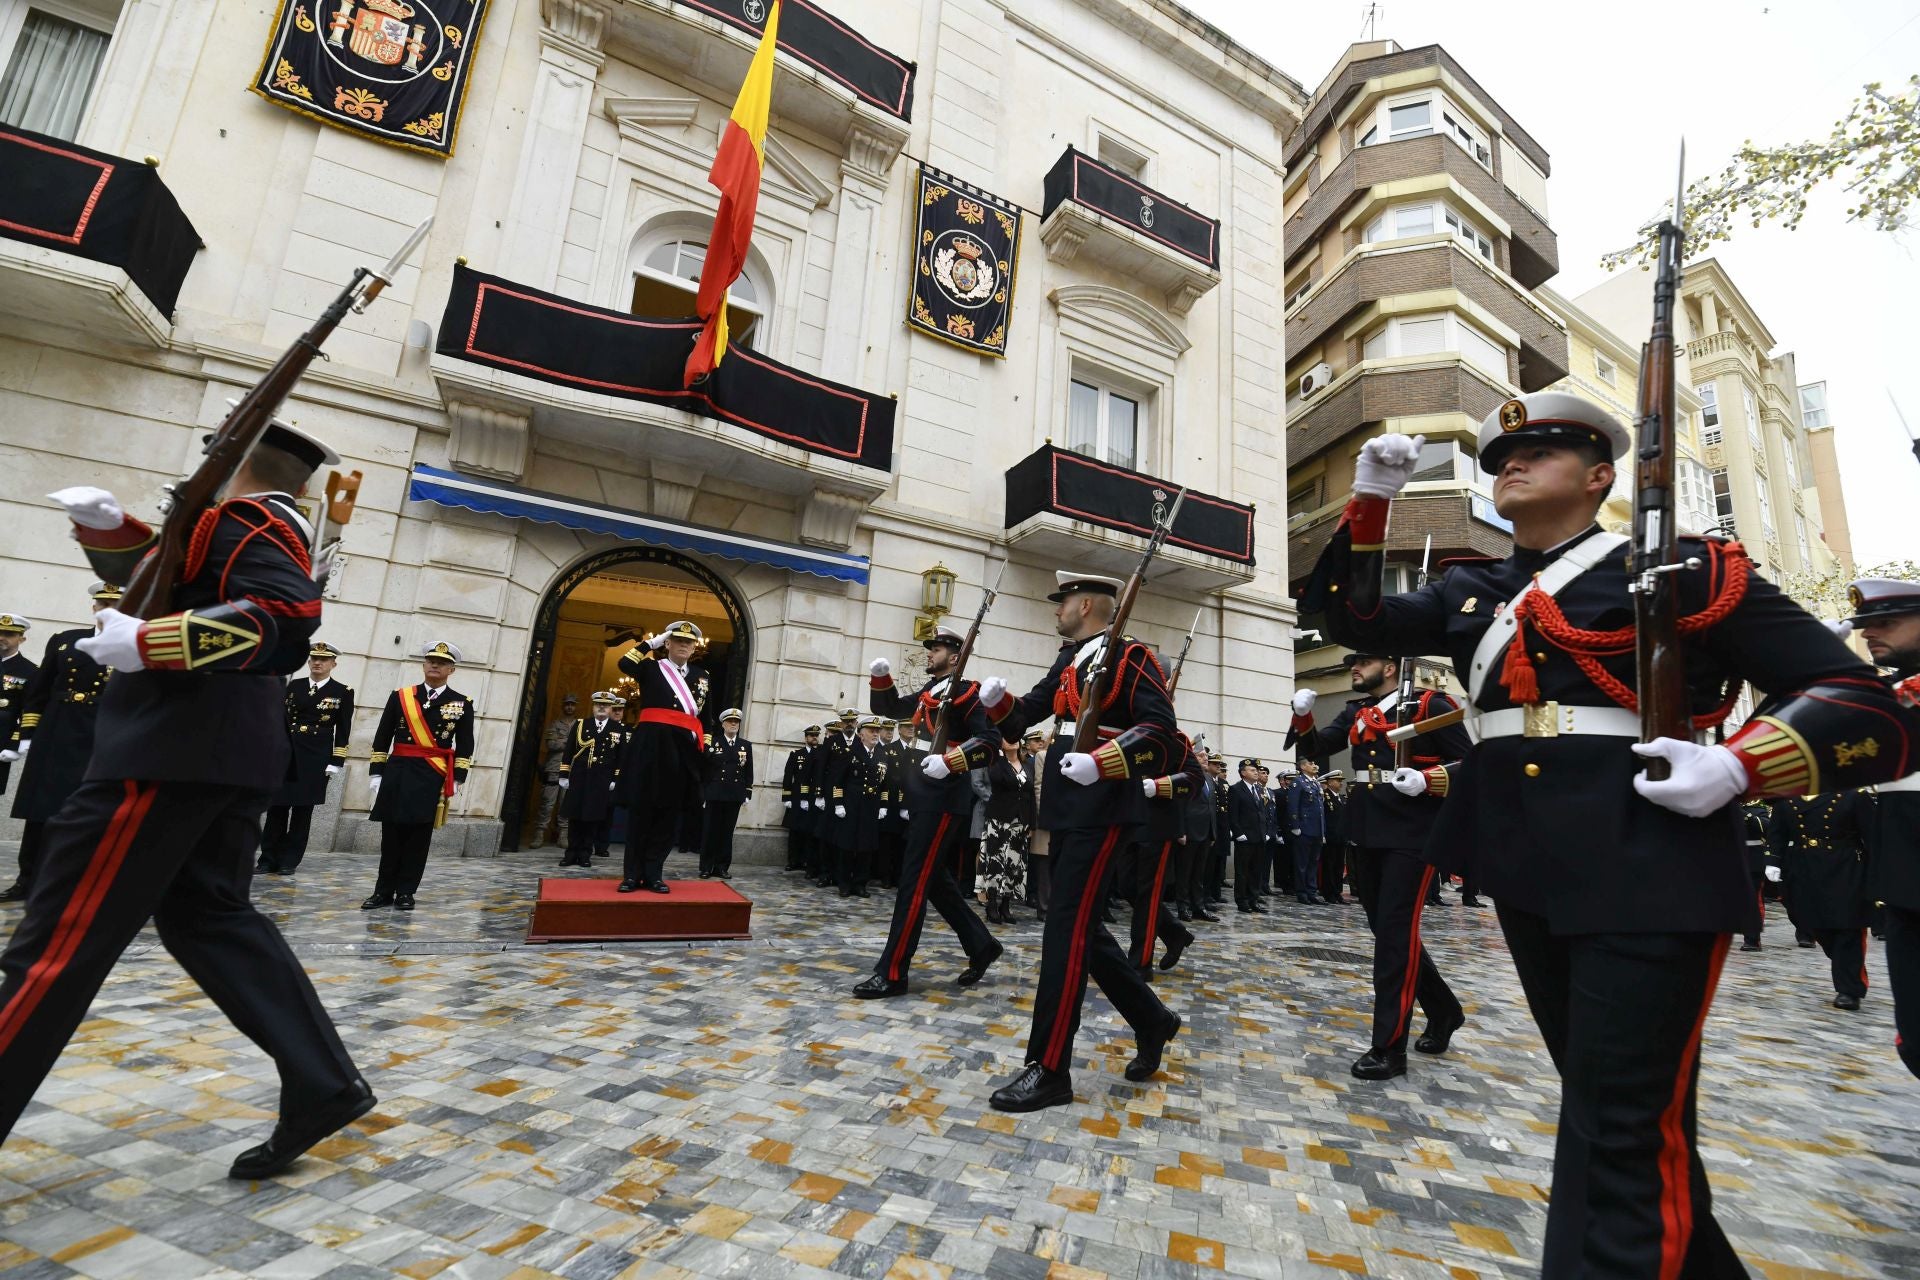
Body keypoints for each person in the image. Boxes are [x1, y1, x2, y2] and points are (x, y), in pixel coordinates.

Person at [1305, 391, 1917, 1274]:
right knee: (1616, 1116)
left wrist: (1743, 764)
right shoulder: (1471, 589)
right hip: (1521, 860)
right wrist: (1369, 502)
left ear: (1601, 475)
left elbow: (1859, 699)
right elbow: (1348, 620)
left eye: (1541, 450)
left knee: (1621, 1131)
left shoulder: (1682, 570)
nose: (1510, 463)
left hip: (1648, 856)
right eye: (1499, 457)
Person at [1, 426, 371, 1178]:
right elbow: (171, 579)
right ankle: (322, 1081)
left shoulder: (241, 518)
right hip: (224, 749)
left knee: (56, 947)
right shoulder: (249, 522)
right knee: (209, 917)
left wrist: (153, 646)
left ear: (229, 463)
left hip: (166, 752)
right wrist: (111, 532)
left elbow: (287, 620)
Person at [975, 572, 1182, 1110]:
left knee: (1064, 934)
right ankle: (1153, 1019)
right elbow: (1025, 718)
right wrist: (997, 703)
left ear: (1085, 604)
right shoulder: (1071, 660)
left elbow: (1162, 733)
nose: (1056, 609)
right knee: (1083, 931)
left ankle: (1049, 1068)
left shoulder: (1131, 656)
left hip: (1103, 805)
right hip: (1068, 806)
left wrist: (1104, 761)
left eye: (1061, 600)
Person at [1286, 650, 1470, 1080]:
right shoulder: (1357, 711)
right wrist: (1303, 718)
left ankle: (1389, 1047)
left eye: (1363, 661)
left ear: (1389, 667)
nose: (1354, 668)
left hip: (1413, 832)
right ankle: (1444, 1011)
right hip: (1367, 828)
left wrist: (1431, 778)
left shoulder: (1430, 705)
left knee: (1393, 936)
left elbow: (1472, 761)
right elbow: (1318, 749)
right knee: (1388, 931)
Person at [856, 625, 1003, 995]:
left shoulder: (969, 692)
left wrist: (952, 761)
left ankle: (893, 972)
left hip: (944, 794)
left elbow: (989, 743)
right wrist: (880, 677)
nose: (928, 653)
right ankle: (981, 944)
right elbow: (889, 708)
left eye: (935, 648)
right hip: (923, 791)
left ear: (955, 656)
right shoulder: (929, 691)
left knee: (914, 882)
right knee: (932, 879)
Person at [1845, 576, 1920, 1077]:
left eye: (1886, 622)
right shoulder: (1889, 694)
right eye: (1866, 625)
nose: (1870, 634)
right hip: (1905, 881)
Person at [1, 583, 117, 902]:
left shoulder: (130, 645)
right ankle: (28, 880)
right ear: (94, 607)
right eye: (102, 602)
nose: (107, 607)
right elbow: (38, 690)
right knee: (41, 810)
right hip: (56, 729)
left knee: (89, 812)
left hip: (100, 734)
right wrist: (27, 734)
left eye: (115, 602)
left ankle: (78, 883)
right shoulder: (65, 640)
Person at [366, 642, 475, 911]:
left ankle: (405, 892)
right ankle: (382, 892)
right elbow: (383, 737)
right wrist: (377, 772)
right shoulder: (401, 696)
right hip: (398, 772)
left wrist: (458, 777)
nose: (434, 665)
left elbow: (465, 743)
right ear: (424, 665)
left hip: (431, 775)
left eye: (441, 662)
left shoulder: (462, 703)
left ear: (451, 669)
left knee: (418, 837)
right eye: (430, 661)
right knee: (390, 836)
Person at [615, 620, 710, 894]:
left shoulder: (702, 676)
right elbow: (625, 664)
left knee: (668, 815)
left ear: (694, 648)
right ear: (667, 643)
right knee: (641, 812)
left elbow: (707, 717)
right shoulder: (651, 667)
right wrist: (650, 644)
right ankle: (632, 875)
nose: (684, 644)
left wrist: (702, 754)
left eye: (689, 642)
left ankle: (654, 873)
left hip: (682, 751)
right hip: (650, 748)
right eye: (678, 639)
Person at [257, 641, 354, 875]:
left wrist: (336, 761)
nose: (318, 663)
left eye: (324, 659)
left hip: (315, 758)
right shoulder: (293, 686)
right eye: (314, 659)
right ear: (309, 661)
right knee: (276, 809)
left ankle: (289, 860)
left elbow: (343, 729)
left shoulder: (342, 692)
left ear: (333, 663)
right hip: (286, 753)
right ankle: (268, 858)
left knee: (302, 811)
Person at [1770, 793, 1873, 1009]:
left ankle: (1849, 989)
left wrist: (1877, 873)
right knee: (1815, 925)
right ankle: (1848, 967)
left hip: (1845, 867)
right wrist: (1773, 860)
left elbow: (1873, 836)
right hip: (1803, 867)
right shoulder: (1788, 798)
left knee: (1847, 926)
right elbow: (1777, 831)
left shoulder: (1853, 795)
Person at [1126, 735, 1202, 979]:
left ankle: (1140, 962)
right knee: (1126, 886)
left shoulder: (1174, 738)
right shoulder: (1126, 733)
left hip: (1157, 820)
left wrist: (1159, 786)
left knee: (1148, 893)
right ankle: (1173, 933)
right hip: (1126, 820)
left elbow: (1193, 778)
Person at [558, 691, 626, 868]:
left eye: (605, 706)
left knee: (592, 818)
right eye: (598, 705)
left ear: (610, 708)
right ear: (593, 707)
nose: (602, 708)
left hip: (601, 780)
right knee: (575, 817)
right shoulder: (581, 725)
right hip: (580, 777)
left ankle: (585, 854)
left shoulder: (618, 729)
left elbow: (621, 757)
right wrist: (564, 774)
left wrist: (615, 778)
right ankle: (571, 853)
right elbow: (569, 751)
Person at [979, 737, 1033, 923]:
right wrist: (1002, 756)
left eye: (1015, 738)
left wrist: (1031, 823)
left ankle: (1006, 904)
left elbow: (1030, 794)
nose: (1012, 741)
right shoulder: (996, 763)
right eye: (1007, 738)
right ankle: (992, 903)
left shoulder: (1027, 765)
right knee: (996, 862)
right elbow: (996, 779)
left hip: (1020, 821)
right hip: (999, 819)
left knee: (1014, 864)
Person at [700, 708, 752, 879]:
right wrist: (703, 794)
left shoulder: (745, 745)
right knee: (710, 831)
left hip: (734, 794)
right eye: (730, 721)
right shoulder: (713, 743)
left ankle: (722, 867)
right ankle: (706, 867)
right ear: (723, 724)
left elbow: (748, 771)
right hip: (715, 793)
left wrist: (747, 792)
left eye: (736, 722)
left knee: (726, 832)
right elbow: (705, 771)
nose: (733, 724)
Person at [1177, 745, 1219, 923]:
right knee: (1184, 872)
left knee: (1199, 873)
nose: (1205, 758)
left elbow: (1211, 807)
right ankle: (1183, 906)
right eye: (1200, 755)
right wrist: (1180, 830)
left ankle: (1198, 906)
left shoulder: (1209, 778)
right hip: (1189, 831)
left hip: (1206, 831)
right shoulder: (1185, 775)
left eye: (1206, 756)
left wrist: (1213, 832)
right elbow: (1179, 804)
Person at [532, 694, 579, 850]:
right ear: (563, 706)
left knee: (565, 804)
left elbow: (582, 746)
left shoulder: (579, 726)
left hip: (571, 769)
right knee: (547, 802)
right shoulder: (554, 724)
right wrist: (569, 742)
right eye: (567, 704)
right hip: (553, 768)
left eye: (572, 704)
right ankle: (539, 834)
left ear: (576, 706)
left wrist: (562, 740)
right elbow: (551, 745)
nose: (569, 707)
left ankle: (563, 835)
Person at [1226, 759, 1270, 914]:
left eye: (1256, 770)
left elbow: (1262, 813)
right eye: (1252, 770)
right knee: (1242, 871)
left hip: (1259, 836)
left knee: (1256, 871)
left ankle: (1253, 899)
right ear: (1243, 772)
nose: (1256, 772)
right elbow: (1233, 814)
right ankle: (1242, 900)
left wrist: (1265, 832)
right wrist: (1239, 833)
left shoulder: (1258, 789)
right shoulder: (1236, 789)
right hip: (1245, 838)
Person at [0, 614, 35, 806]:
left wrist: (15, 745)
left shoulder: (30, 671)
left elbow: (28, 710)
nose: (1, 637)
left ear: (21, 638)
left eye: (8, 634)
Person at [1287, 760, 1328, 905]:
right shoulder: (1298, 782)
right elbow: (1293, 804)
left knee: (1313, 863)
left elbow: (1321, 811)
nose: (1315, 765)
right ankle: (1301, 892)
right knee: (1302, 863)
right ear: (1303, 767)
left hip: (1316, 829)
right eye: (1311, 764)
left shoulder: (1315, 783)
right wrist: (1295, 825)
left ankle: (1311, 891)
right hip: (1304, 829)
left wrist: (1322, 831)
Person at [780, 724, 820, 872]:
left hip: (812, 797)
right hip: (796, 798)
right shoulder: (796, 754)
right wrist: (787, 797)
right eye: (811, 736)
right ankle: (793, 860)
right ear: (806, 738)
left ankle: (806, 861)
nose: (814, 738)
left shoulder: (821, 754)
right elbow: (788, 777)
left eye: (816, 736)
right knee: (795, 831)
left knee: (809, 832)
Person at [1737, 800, 1775, 951]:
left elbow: (1765, 827)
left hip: (1752, 858)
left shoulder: (1759, 809)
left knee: (1752, 899)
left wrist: (1744, 815)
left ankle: (1752, 939)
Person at [1321, 771, 1350, 905]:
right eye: (1338, 780)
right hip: (1330, 838)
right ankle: (1329, 892)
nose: (1341, 783)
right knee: (1329, 866)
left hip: (1341, 838)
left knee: (1339, 866)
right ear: (1330, 782)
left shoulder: (1342, 798)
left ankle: (1337, 892)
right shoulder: (1325, 797)